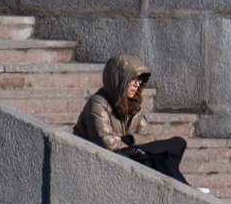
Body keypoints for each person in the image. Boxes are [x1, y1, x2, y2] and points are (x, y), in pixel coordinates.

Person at [75, 54, 187, 184]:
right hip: (109, 159)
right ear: (119, 80)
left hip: (131, 151)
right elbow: (107, 143)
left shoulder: (133, 104)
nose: (137, 84)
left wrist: (129, 140)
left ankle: (186, 191)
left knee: (178, 144)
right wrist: (138, 151)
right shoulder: (98, 104)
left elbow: (150, 137)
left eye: (140, 80)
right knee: (161, 160)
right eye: (133, 79)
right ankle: (189, 192)